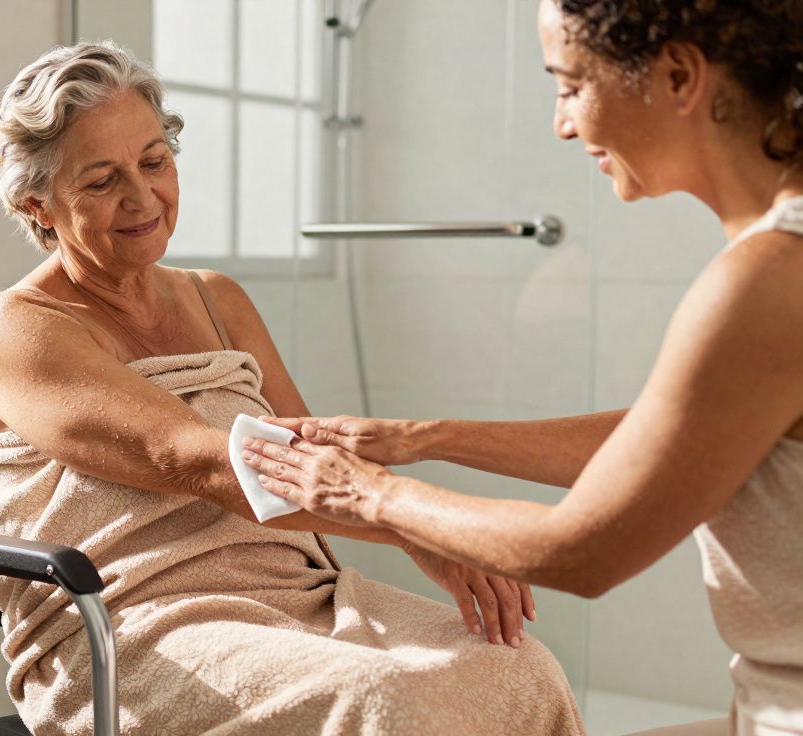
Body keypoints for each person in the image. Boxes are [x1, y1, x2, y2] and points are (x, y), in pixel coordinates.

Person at [0, 40, 584, 735]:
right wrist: (418, 526)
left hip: (302, 596)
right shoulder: (20, 328)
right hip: (134, 626)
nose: (142, 197)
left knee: (522, 666)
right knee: (384, 699)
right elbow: (192, 457)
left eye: (154, 161)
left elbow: (312, 444)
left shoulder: (216, 298)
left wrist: (419, 522)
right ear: (38, 204)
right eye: (102, 180)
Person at [241, 1, 803, 733]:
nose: (562, 124)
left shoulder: (766, 280)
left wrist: (364, 494)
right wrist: (425, 436)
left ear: (677, 75)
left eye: (570, 86)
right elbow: (681, 438)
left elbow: (582, 551)